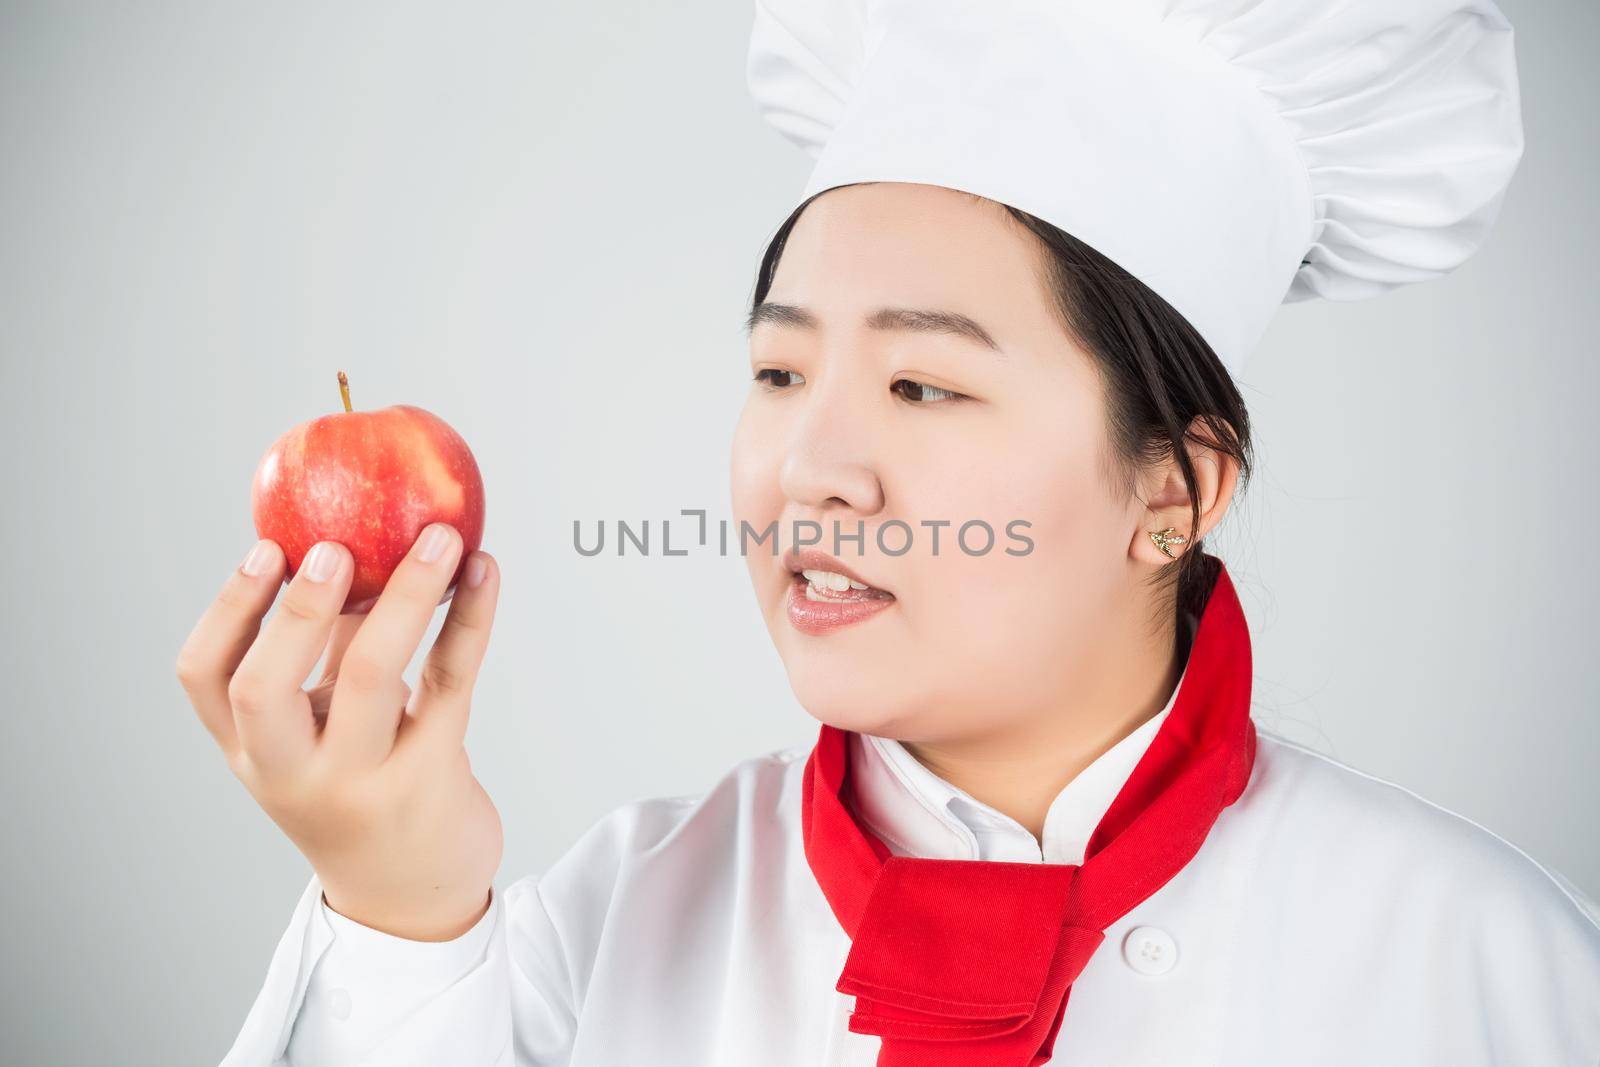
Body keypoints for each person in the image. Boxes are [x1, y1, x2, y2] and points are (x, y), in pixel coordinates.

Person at [177, 1, 1600, 1064]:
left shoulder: (1479, 964)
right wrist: (393, 908)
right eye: (780, 372)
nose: (810, 471)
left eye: (925, 383)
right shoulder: (608, 926)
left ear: (1175, 491)